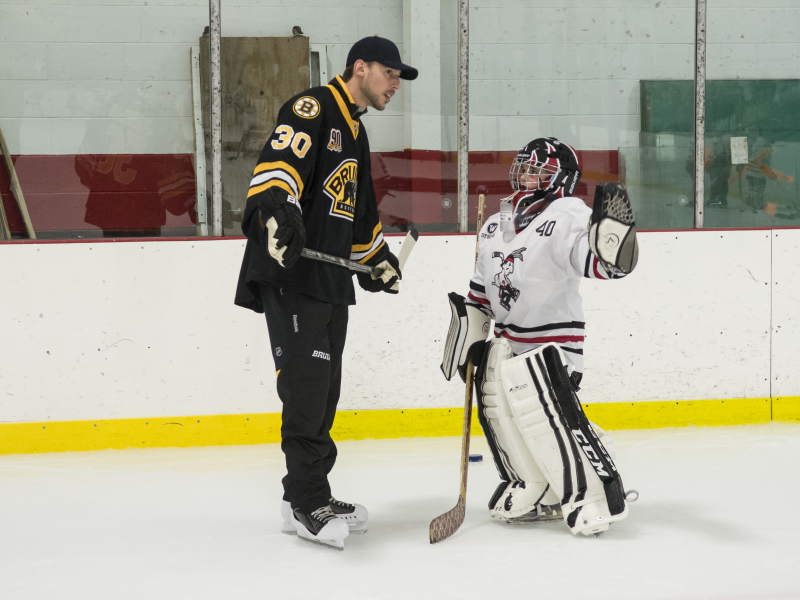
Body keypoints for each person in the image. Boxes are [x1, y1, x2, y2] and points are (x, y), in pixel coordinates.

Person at [234, 36, 418, 550]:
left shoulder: (355, 131)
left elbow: (357, 219)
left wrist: (377, 261)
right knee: (306, 387)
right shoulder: (312, 107)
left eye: (399, 78)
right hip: (292, 273)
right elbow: (276, 174)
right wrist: (277, 211)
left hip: (329, 281)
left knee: (325, 392)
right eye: (390, 74)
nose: (395, 85)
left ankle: (311, 491)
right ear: (360, 67)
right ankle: (306, 503)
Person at [441, 138, 639, 536]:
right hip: (508, 339)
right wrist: (468, 340)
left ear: (560, 180)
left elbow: (600, 266)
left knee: (548, 418)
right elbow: (480, 293)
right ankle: (532, 483)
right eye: (525, 168)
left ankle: (595, 493)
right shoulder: (496, 222)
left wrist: (612, 245)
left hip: (553, 343)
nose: (528, 177)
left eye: (539, 172)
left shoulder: (568, 214)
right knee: (499, 408)